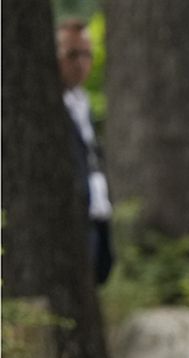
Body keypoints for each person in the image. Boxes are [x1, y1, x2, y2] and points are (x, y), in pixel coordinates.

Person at [57, 18, 113, 284]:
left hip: (96, 213)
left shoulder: (83, 104)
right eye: (72, 54)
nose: (80, 63)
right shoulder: (52, 109)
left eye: (87, 54)